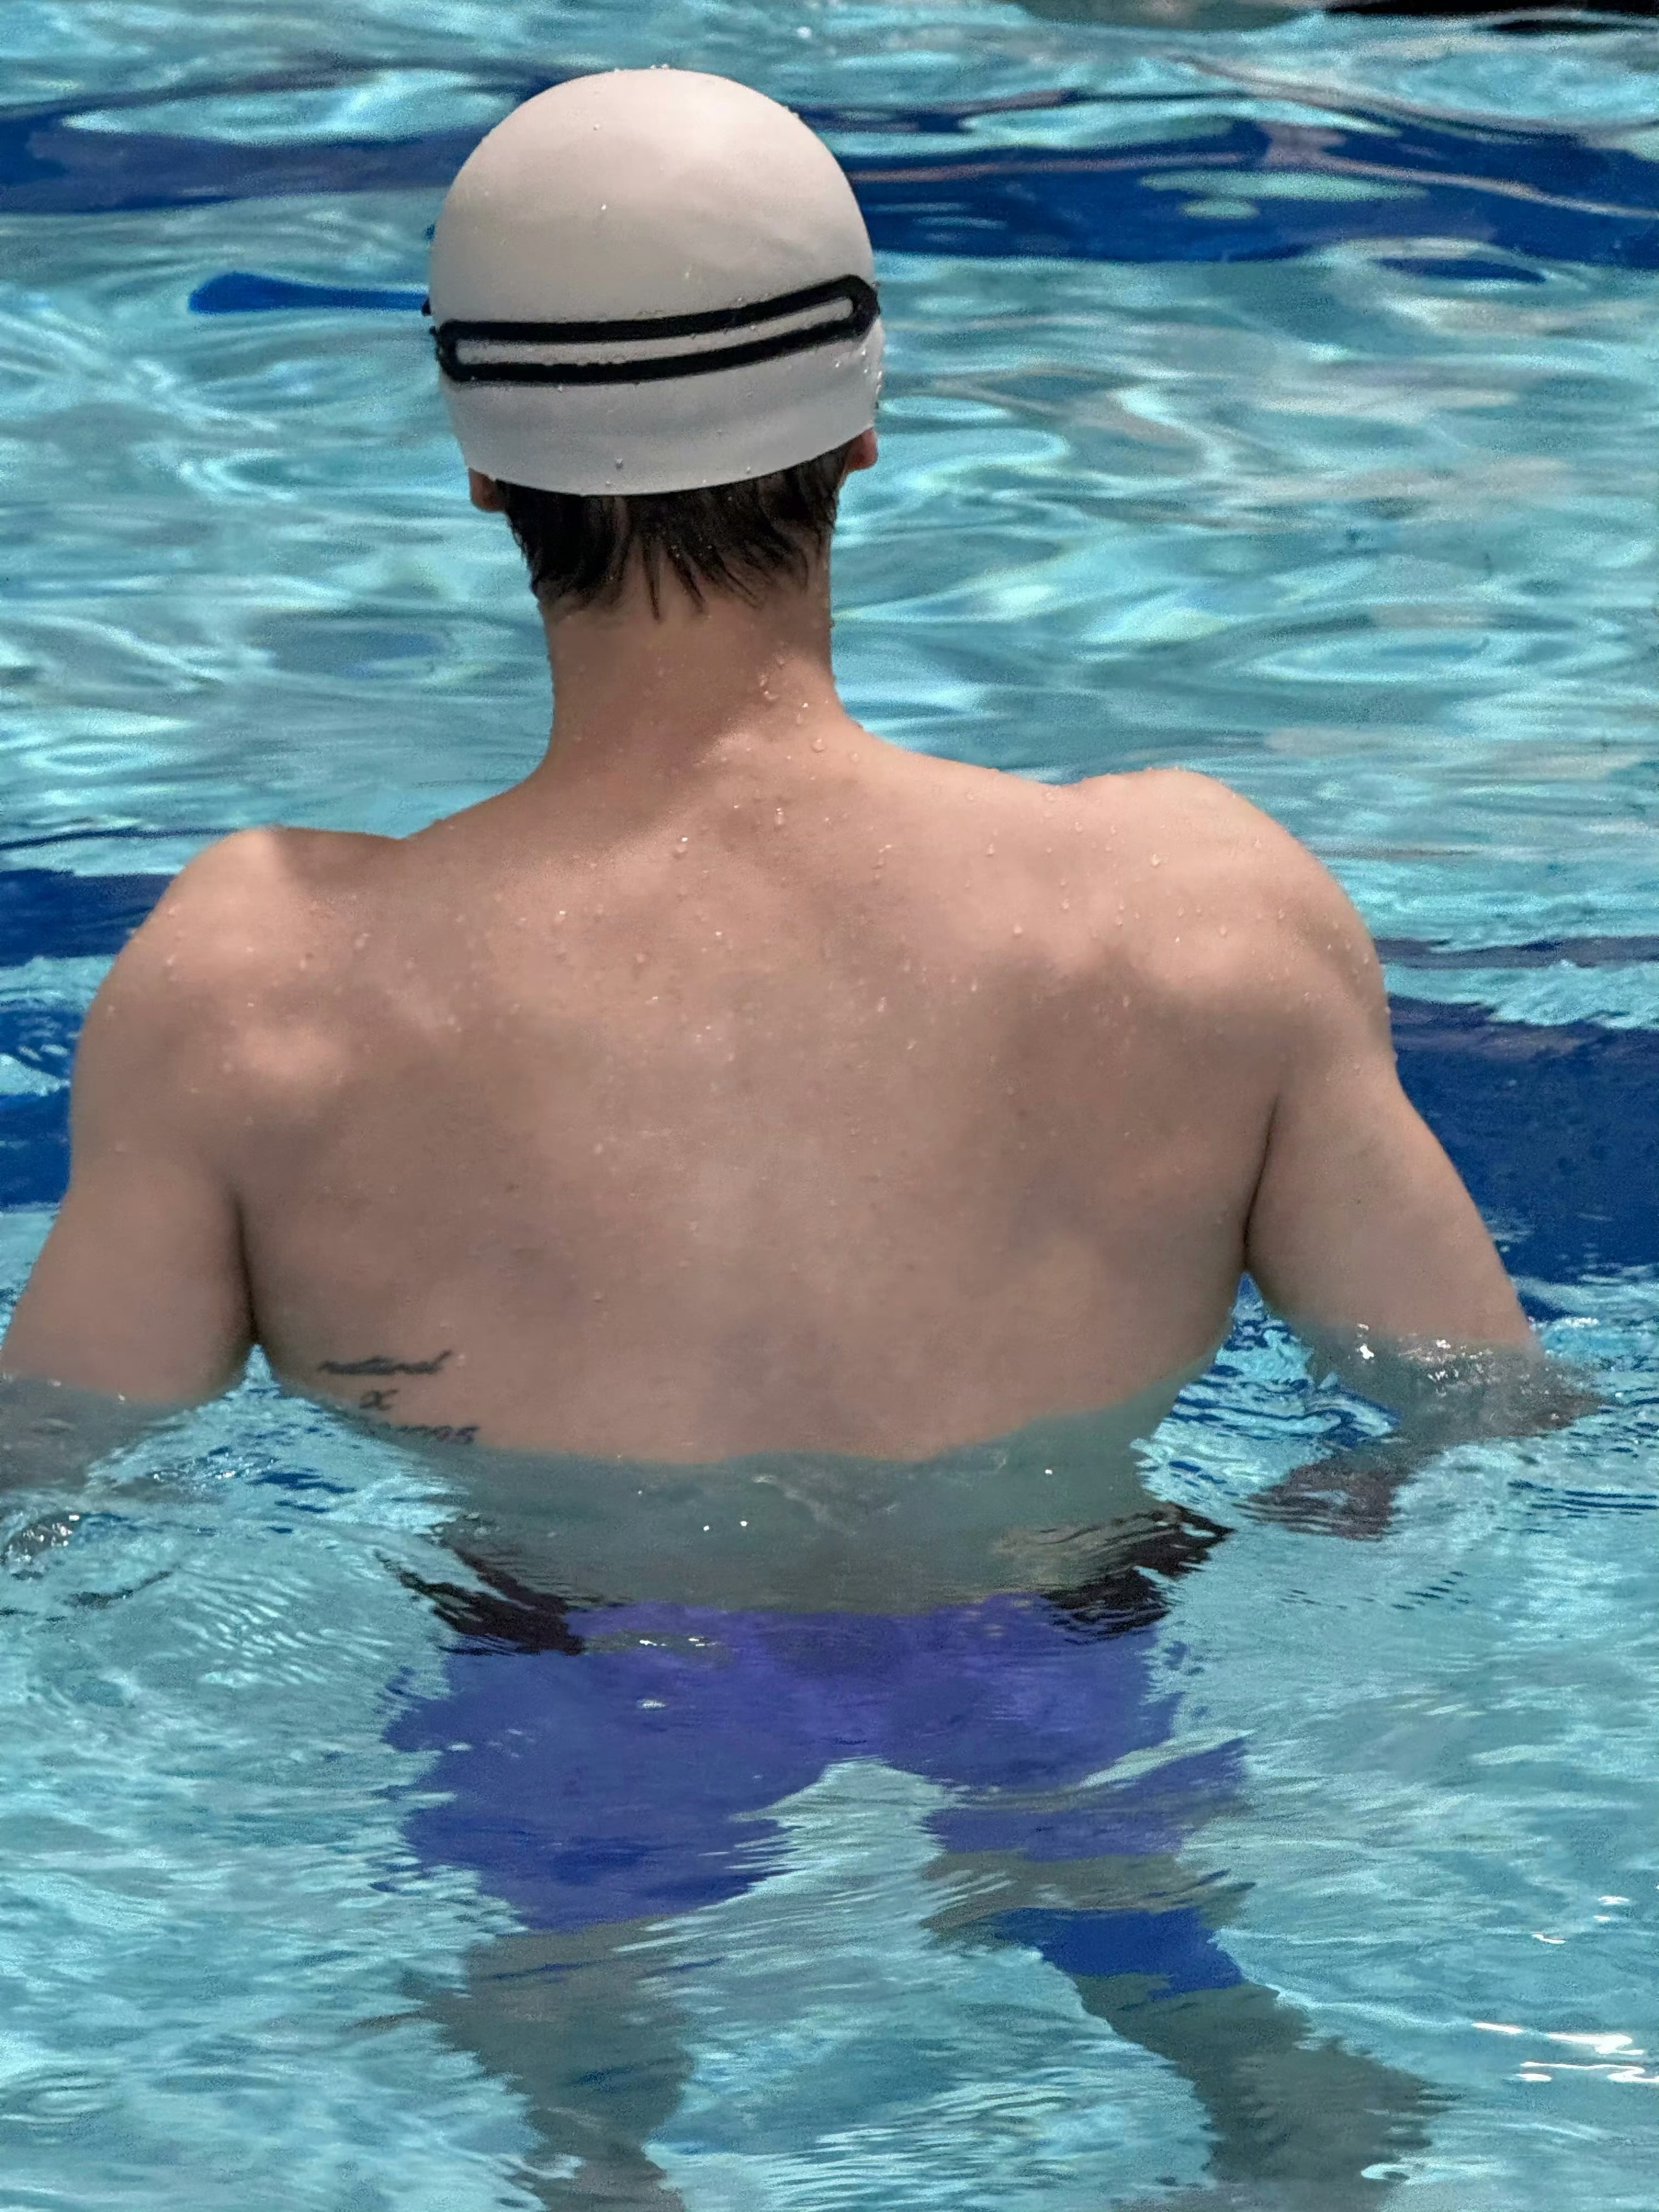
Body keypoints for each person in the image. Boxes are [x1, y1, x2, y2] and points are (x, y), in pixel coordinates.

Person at [1, 67, 1556, 2209]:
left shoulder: (259, 986)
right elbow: (1487, 1422)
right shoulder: (1200, 910)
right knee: (1182, 1975)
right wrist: (1344, 1506)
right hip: (1065, 1624)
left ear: (482, 462)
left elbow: (53, 1490)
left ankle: (586, 2141)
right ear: (862, 426)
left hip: (573, 1669)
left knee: (561, 2041)